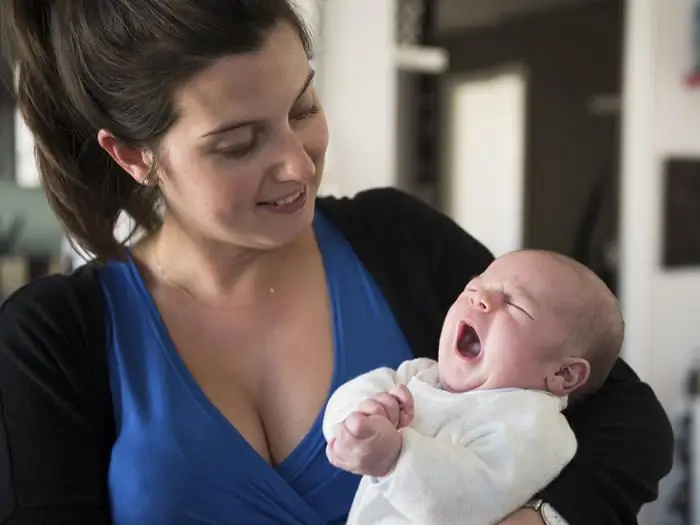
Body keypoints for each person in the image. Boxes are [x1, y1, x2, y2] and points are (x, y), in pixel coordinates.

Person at [0, 1, 672, 524]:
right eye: (238, 143)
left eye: (304, 107)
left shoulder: (396, 240)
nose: (297, 163)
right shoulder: (55, 339)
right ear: (132, 155)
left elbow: (626, 419)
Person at [323, 250, 623, 525]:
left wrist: (394, 457)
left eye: (514, 303)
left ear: (563, 374)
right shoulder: (421, 375)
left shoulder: (535, 426)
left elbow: (463, 503)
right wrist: (354, 422)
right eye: (473, 287)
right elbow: (354, 395)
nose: (479, 298)